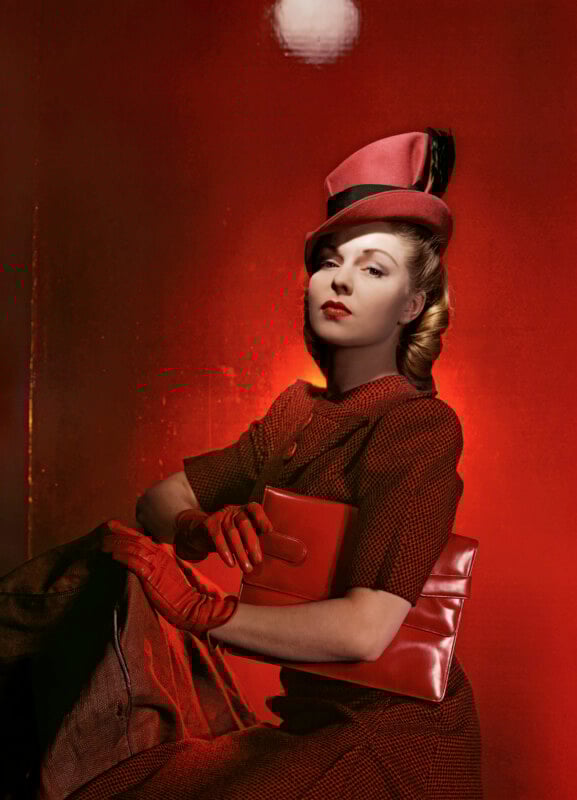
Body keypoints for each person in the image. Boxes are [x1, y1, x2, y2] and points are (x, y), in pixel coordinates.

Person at [1, 129, 483, 800]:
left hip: (390, 743)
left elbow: (366, 629)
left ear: (410, 307)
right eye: (328, 260)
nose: (340, 278)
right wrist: (200, 525)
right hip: (307, 724)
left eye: (373, 268)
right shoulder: (296, 414)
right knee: (108, 566)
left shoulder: (417, 427)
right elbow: (155, 503)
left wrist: (204, 609)